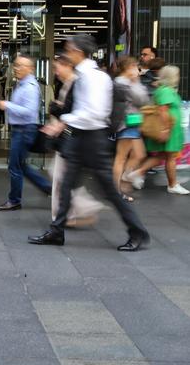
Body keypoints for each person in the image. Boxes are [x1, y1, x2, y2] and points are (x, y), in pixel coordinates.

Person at [29, 35, 150, 251]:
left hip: (93, 138)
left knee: (109, 191)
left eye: (68, 49)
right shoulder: (83, 76)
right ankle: (57, 231)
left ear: (78, 52)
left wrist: (62, 122)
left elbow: (94, 113)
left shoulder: (93, 78)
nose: (66, 54)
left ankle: (138, 232)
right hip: (79, 136)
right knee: (65, 186)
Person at [48, 55, 105, 227]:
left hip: (72, 138)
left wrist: (59, 115)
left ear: (68, 66)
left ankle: (76, 211)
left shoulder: (75, 83)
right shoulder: (67, 84)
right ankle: (68, 213)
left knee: (61, 177)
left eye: (58, 67)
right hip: (68, 137)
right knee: (60, 177)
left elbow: (74, 111)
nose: (55, 71)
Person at [0, 55, 52, 211]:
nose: (16, 68)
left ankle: (14, 200)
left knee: (15, 166)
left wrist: (7, 105)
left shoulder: (30, 87)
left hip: (24, 130)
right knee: (22, 166)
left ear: (30, 69)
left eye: (21, 65)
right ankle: (48, 188)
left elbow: (29, 112)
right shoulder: (22, 84)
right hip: (21, 129)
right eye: (16, 65)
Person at [125, 65, 189, 195]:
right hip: (168, 128)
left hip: (170, 128)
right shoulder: (166, 90)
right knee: (169, 156)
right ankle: (172, 184)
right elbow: (162, 110)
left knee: (164, 155)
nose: (178, 77)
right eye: (176, 75)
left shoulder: (165, 90)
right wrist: (165, 129)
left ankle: (137, 173)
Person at [111, 56, 149, 201]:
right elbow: (142, 99)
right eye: (134, 66)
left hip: (130, 123)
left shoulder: (121, 82)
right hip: (126, 123)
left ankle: (124, 180)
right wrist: (137, 81)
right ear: (128, 68)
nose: (137, 69)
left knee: (138, 154)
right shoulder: (123, 83)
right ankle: (117, 189)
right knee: (121, 158)